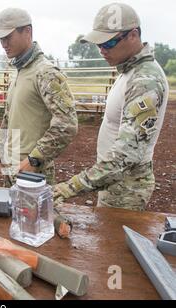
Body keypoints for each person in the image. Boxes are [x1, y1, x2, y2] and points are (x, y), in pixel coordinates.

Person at [53, 3, 169, 211]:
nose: (102, 50)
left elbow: (127, 154)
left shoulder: (145, 80)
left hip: (126, 187)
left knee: (113, 240)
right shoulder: (129, 70)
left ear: (133, 35)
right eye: (99, 44)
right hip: (115, 181)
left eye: (109, 43)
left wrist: (71, 186)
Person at [0, 8, 78, 186]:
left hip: (32, 171)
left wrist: (35, 159)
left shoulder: (46, 73)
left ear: (27, 31)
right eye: (1, 39)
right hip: (13, 165)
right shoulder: (19, 72)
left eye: (7, 37)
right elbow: (8, 117)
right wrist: (0, 151)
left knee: (33, 214)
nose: (3, 44)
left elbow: (67, 124)